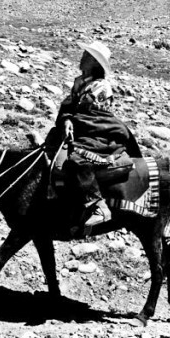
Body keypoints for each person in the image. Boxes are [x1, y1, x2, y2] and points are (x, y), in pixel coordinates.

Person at [55, 40, 141, 234]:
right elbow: (69, 106)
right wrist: (67, 119)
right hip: (80, 127)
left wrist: (72, 119)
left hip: (99, 133)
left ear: (94, 62)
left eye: (86, 56)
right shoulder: (79, 81)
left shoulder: (102, 87)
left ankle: (98, 205)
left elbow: (92, 117)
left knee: (76, 159)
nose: (82, 58)